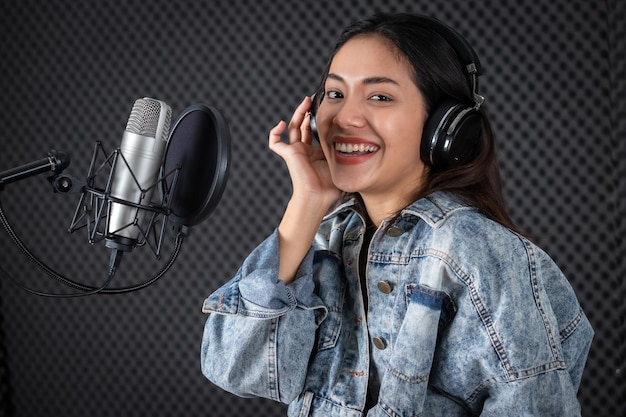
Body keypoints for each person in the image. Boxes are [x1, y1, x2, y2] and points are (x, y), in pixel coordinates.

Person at [200, 12, 594, 416]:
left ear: (444, 127)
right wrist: (307, 201)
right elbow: (236, 369)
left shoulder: (481, 255)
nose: (343, 119)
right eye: (334, 94)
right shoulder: (321, 238)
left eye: (380, 97)